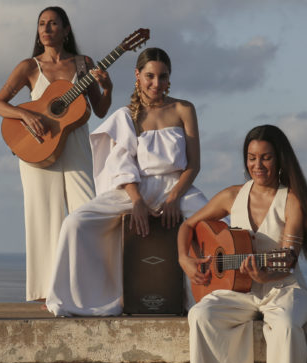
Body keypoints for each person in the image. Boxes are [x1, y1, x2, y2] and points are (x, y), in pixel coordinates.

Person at [178, 125, 307, 363]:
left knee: (287, 328)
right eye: (252, 158)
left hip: (283, 289)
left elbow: (287, 258)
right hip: (240, 290)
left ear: (280, 160)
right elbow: (188, 226)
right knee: (202, 314)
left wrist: (265, 275)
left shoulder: (292, 201)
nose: (258, 165)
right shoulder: (233, 195)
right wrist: (185, 260)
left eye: (266, 158)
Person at [45, 47, 207, 316]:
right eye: (150, 76)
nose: (157, 83)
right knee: (75, 222)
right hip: (134, 189)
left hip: (178, 188)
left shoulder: (183, 109)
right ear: (137, 75)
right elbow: (123, 165)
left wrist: (174, 197)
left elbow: (194, 164)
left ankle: (212, 299)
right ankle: (80, 299)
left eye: (163, 77)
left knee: (218, 226)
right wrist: (137, 202)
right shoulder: (126, 115)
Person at [0, 6, 113, 302]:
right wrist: (24, 115)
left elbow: (98, 110)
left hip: (75, 144)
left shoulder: (83, 64)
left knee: (86, 213)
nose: (46, 29)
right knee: (43, 218)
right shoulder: (29, 67)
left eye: (53, 24)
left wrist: (106, 88)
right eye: (42, 24)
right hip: (39, 146)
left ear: (66, 29)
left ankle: (90, 287)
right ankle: (47, 293)